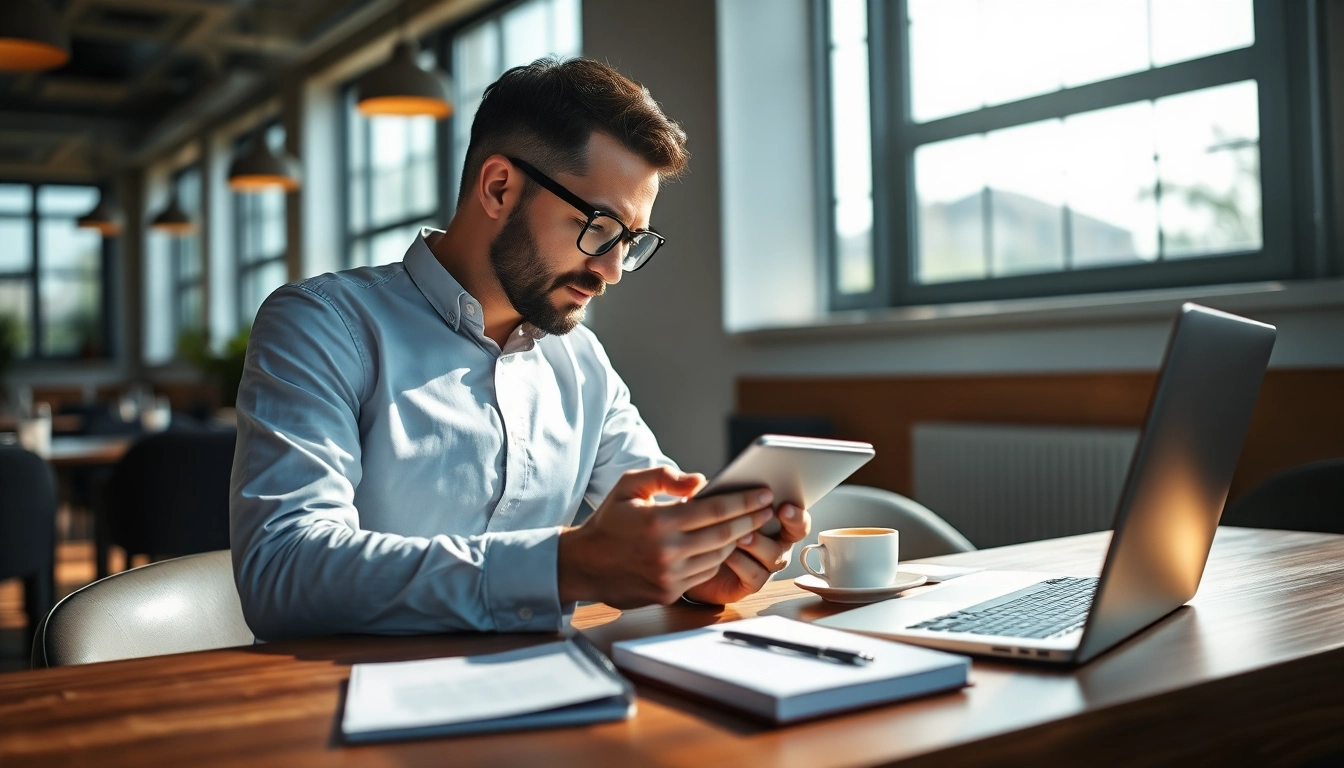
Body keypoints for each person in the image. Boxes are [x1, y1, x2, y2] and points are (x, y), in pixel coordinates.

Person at [229, 57, 811, 640]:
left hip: (547, 690)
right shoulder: (323, 324)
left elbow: (653, 529)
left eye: (630, 241)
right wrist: (566, 564)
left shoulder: (583, 363)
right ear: (499, 187)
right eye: (599, 227)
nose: (611, 270)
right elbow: (283, 571)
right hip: (339, 702)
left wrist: (700, 567)